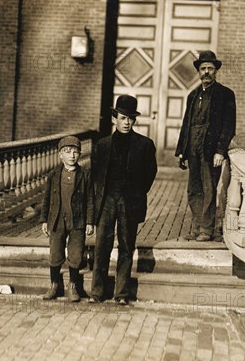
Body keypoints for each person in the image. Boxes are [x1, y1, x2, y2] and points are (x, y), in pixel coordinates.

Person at [89, 95, 157, 305]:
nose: (126, 122)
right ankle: (97, 293)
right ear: (114, 118)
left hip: (130, 201)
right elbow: (95, 177)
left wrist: (135, 193)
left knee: (127, 247)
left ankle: (121, 294)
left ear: (134, 120)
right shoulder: (102, 145)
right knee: (102, 246)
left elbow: (150, 173)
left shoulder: (144, 145)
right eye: (122, 118)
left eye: (130, 118)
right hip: (107, 201)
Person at [175, 50, 236, 242]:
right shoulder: (192, 95)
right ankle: (196, 227)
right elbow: (187, 123)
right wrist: (181, 151)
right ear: (198, 72)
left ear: (216, 70)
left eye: (210, 68)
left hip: (210, 151)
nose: (206, 72)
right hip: (193, 148)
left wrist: (220, 150)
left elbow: (229, 126)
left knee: (209, 189)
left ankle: (206, 229)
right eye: (203, 69)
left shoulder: (225, 94)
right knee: (194, 189)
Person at [40, 135, 95, 302]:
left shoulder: (85, 175)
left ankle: (73, 285)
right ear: (60, 155)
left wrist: (90, 221)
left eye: (75, 152)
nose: (72, 155)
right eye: (67, 152)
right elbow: (47, 199)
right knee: (55, 252)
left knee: (75, 254)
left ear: (79, 155)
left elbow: (90, 200)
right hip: (57, 221)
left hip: (77, 221)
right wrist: (44, 220)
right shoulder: (53, 175)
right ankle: (54, 285)